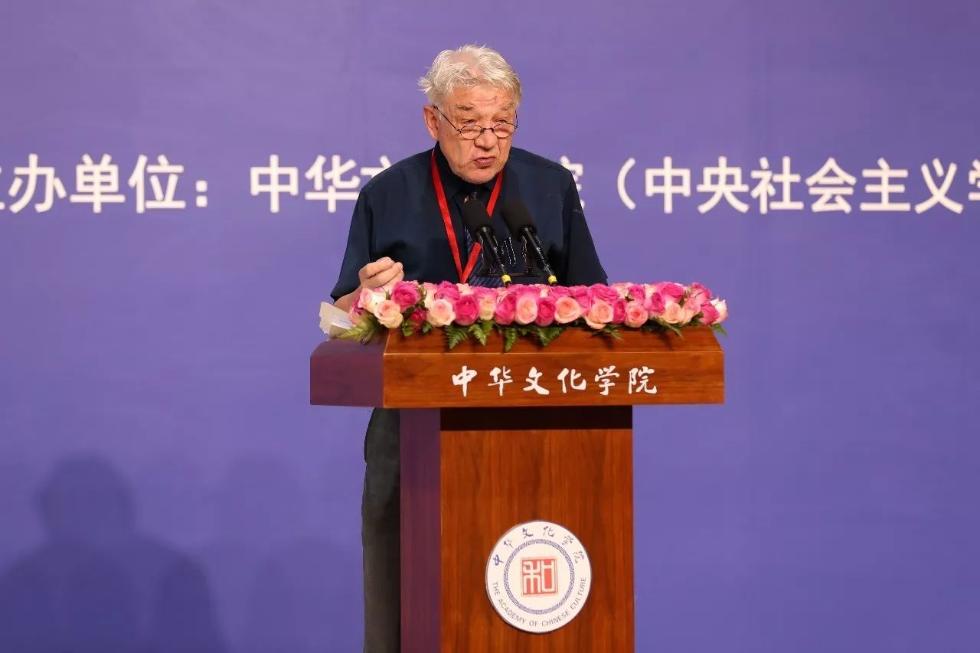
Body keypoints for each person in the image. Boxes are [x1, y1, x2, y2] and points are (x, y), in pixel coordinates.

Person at [330, 44, 607, 653]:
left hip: (532, 420)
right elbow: (343, 310)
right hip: (412, 426)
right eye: (469, 123)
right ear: (432, 121)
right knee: (405, 589)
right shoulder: (388, 193)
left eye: (502, 124)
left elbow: (594, 301)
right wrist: (367, 295)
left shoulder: (549, 186)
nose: (487, 141)